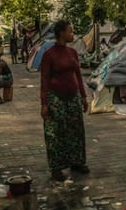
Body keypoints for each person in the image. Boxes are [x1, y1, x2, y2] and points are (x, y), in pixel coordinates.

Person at [40, 20, 89, 182]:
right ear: (61, 33)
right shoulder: (49, 55)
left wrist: (83, 96)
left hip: (73, 97)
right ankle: (56, 168)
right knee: (55, 134)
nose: (72, 34)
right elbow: (44, 81)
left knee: (76, 131)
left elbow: (78, 76)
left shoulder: (73, 53)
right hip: (56, 99)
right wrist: (44, 104)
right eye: (70, 31)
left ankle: (77, 162)